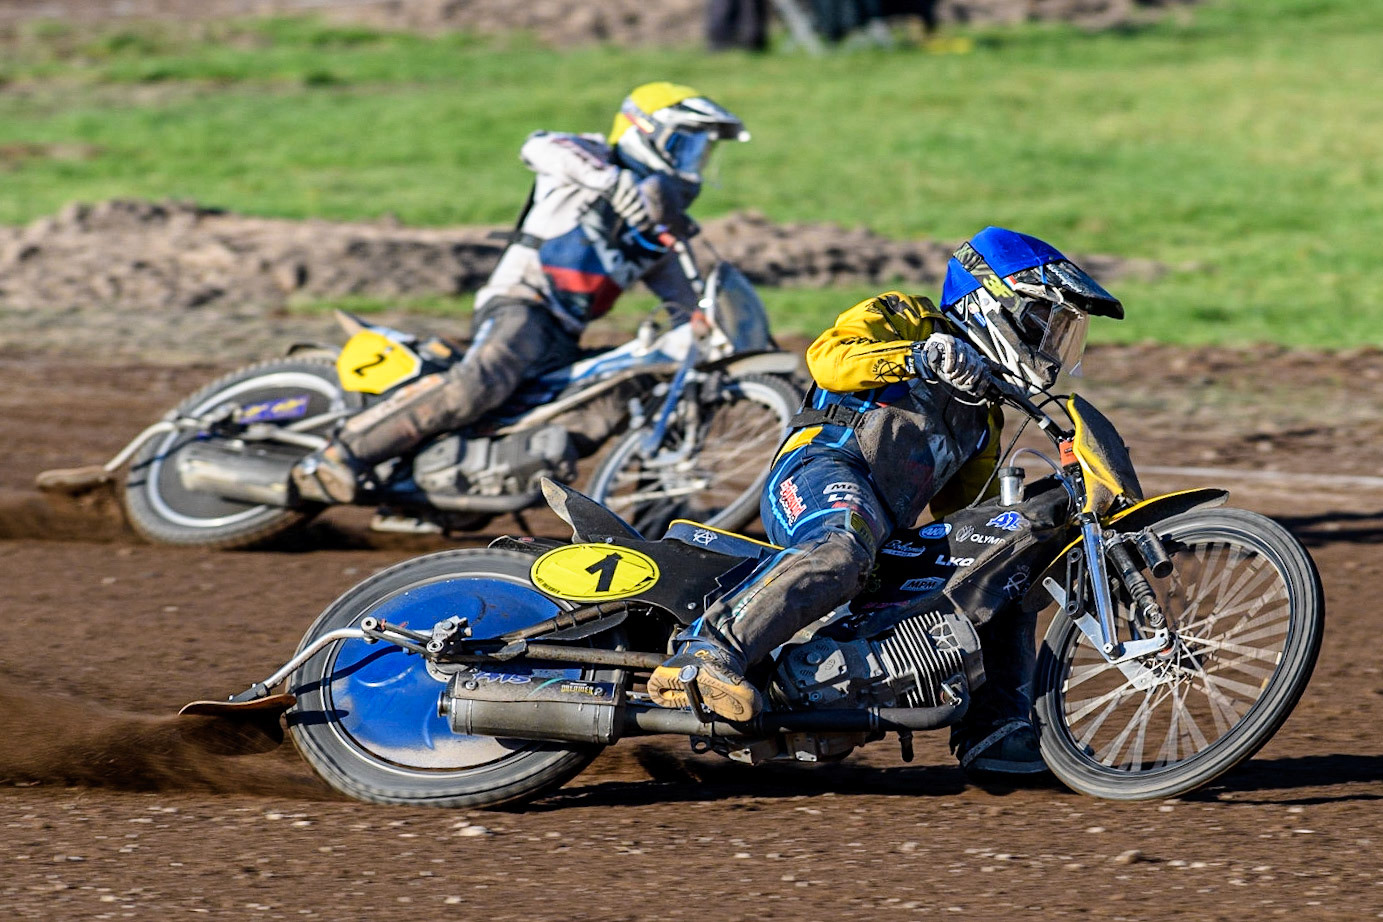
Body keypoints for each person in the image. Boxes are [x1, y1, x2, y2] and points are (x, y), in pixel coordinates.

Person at [647, 226, 1124, 777]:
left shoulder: (984, 415)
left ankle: (995, 730)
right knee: (842, 545)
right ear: (995, 301)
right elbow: (826, 359)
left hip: (884, 530)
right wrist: (919, 355)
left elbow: (967, 520)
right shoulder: (908, 316)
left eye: (1064, 334)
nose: (1050, 346)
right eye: (1046, 324)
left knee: (1005, 572)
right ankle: (703, 653)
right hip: (821, 470)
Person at [291, 82, 750, 504]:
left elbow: (685, 302)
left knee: (606, 402)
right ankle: (341, 454)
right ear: (643, 131)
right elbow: (538, 145)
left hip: (562, 335)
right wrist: (613, 182)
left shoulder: (652, 235)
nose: (692, 164)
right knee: (478, 383)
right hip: (521, 302)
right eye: (685, 146)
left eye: (702, 153)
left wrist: (703, 325)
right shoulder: (591, 157)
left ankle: (652, 510)